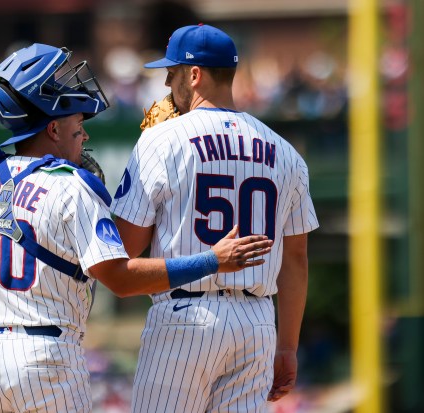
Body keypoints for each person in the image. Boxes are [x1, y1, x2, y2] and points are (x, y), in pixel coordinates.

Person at [0, 43, 273, 413]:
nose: (84, 137)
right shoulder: (70, 186)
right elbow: (122, 279)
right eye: (78, 127)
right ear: (53, 128)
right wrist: (212, 261)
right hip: (43, 356)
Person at [111, 24, 320, 412]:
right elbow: (295, 259)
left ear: (194, 74)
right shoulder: (286, 151)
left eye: (171, 74)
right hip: (256, 321)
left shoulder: (162, 140)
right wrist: (287, 346)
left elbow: (124, 248)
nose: (168, 83)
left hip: (186, 315)